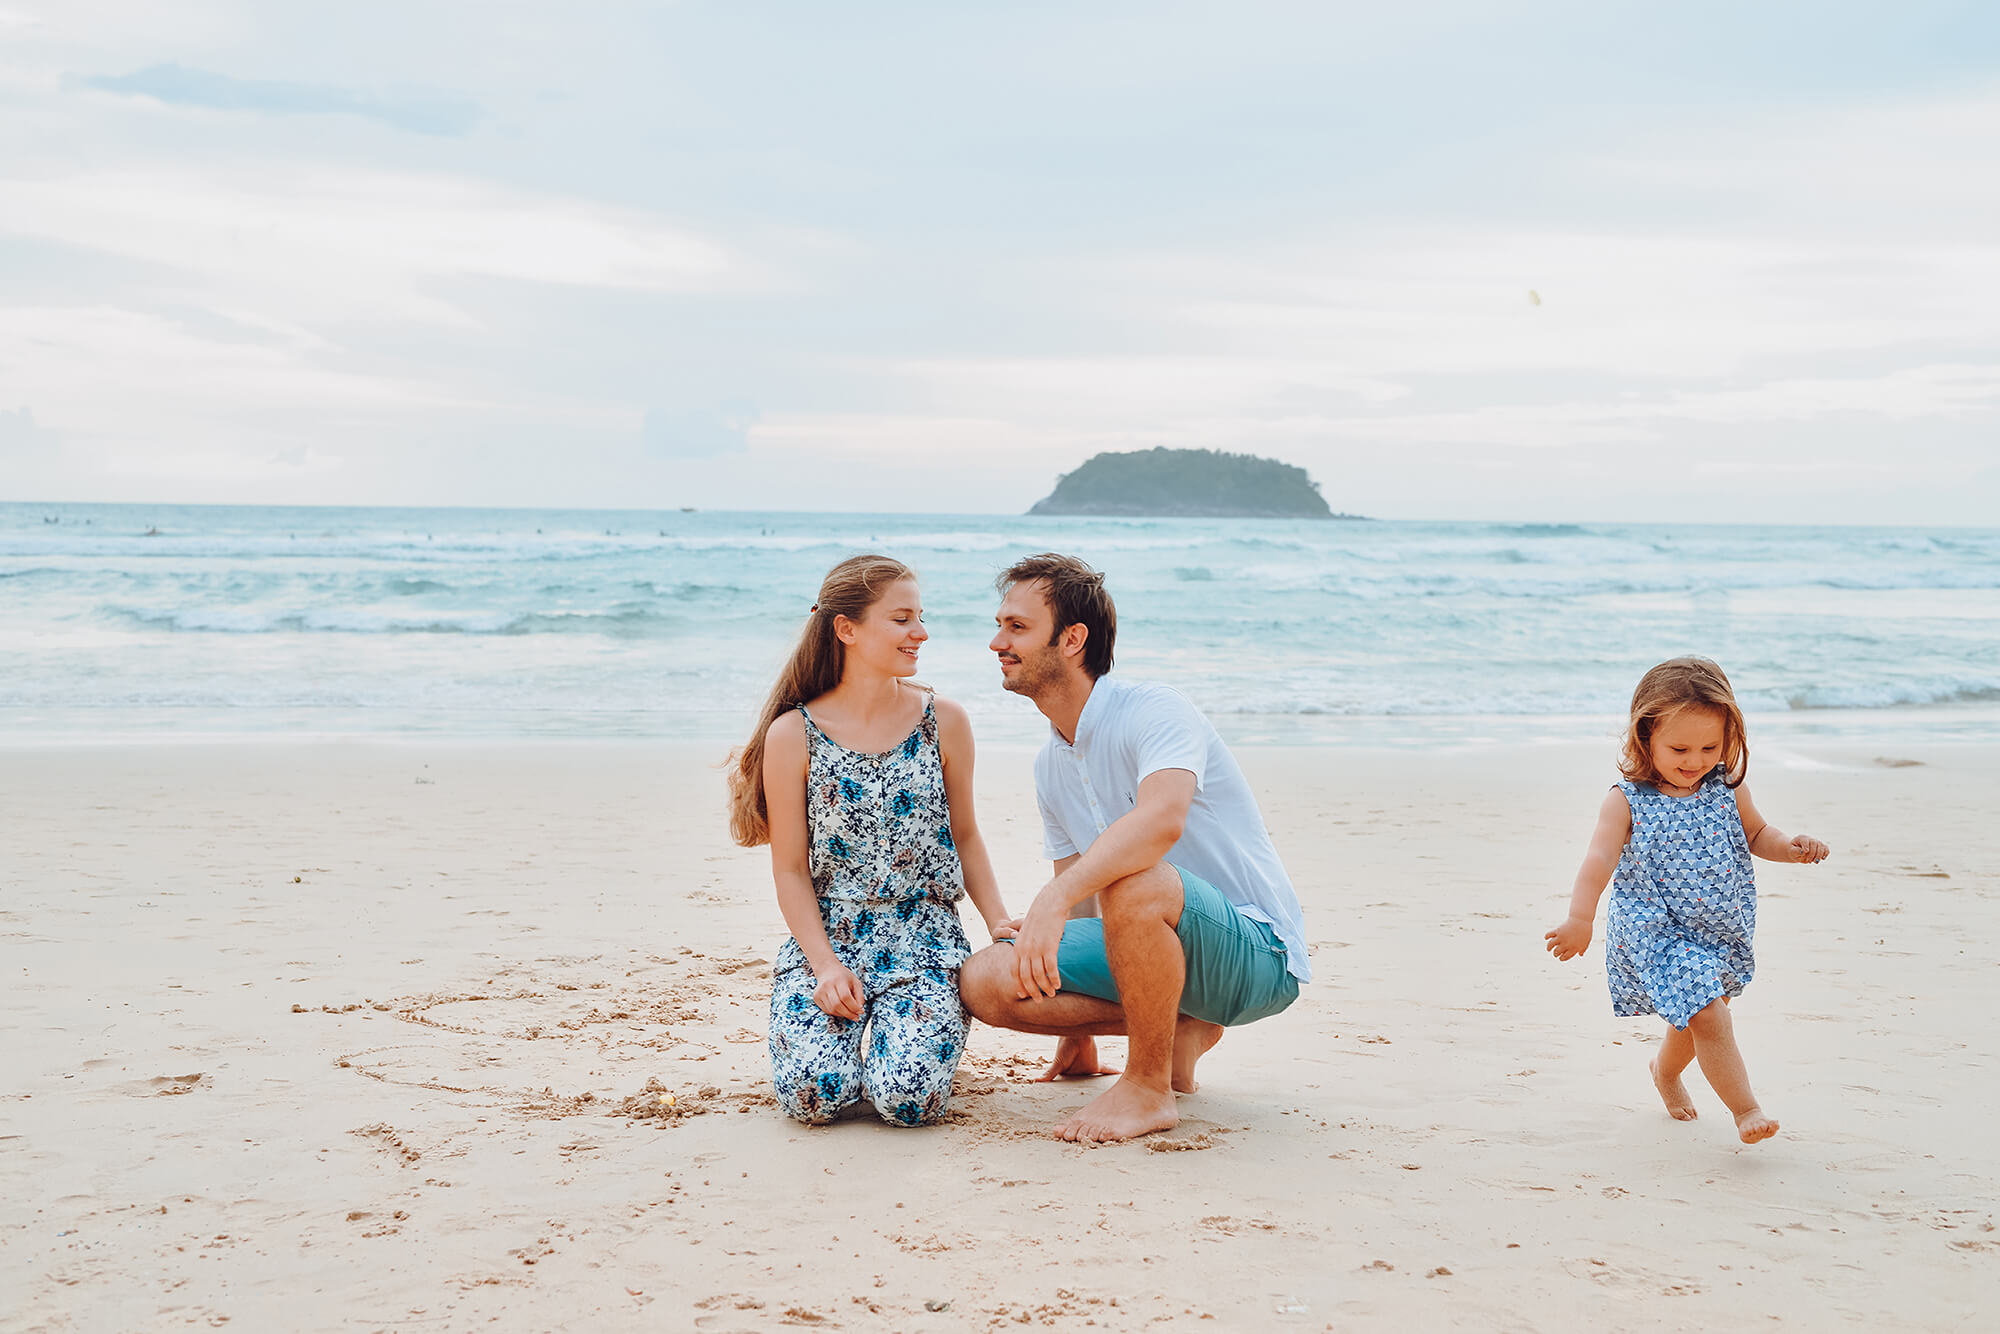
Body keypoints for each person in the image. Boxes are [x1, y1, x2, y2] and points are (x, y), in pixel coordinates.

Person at [959, 553, 1311, 1143]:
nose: (997, 641)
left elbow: (1161, 823)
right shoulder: (1052, 763)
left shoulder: (1155, 709)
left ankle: (1148, 1087)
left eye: (1017, 627)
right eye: (999, 625)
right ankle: (1182, 1030)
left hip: (1255, 951)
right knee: (988, 976)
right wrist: (1075, 1036)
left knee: (1136, 875)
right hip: (1146, 942)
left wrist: (1054, 896)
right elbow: (1076, 900)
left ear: (1072, 640)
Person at [728, 554, 1013, 1126]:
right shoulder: (793, 734)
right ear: (847, 629)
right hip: (831, 938)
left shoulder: (945, 721)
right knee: (815, 1097)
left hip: (925, 941)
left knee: (908, 1101)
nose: (921, 632)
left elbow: (966, 834)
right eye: (903, 619)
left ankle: (905, 1043)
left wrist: (998, 920)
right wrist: (825, 967)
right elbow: (790, 870)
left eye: (921, 617)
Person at [1544, 656, 1829, 1145]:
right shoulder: (1627, 800)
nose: (1695, 760)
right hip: (1655, 930)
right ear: (1644, 738)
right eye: (1679, 747)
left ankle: (1664, 1071)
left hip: (1714, 926)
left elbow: (1758, 833)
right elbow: (1598, 861)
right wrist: (1579, 918)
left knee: (1695, 1016)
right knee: (1709, 1014)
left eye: (1709, 747)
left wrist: (1791, 849)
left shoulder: (1725, 788)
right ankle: (1747, 1110)